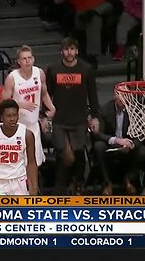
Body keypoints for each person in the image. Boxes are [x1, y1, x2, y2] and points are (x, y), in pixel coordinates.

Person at [46, 37, 100, 195]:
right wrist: (45, 115)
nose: (69, 52)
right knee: (64, 154)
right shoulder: (53, 69)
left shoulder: (87, 69)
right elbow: (47, 95)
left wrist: (95, 117)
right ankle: (61, 188)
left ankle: (78, 183)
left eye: (72, 49)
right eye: (66, 49)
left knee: (78, 153)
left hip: (79, 119)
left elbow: (93, 95)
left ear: (76, 50)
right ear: (61, 51)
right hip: (59, 120)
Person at [1, 45, 56, 167]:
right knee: (19, 165)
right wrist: (19, 103)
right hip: (17, 126)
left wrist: (52, 107)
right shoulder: (12, 78)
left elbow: (44, 93)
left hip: (33, 125)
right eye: (24, 58)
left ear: (33, 59)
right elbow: (3, 102)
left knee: (35, 164)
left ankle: (33, 186)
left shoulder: (39, 73)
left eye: (29, 58)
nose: (27, 61)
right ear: (18, 61)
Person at [92, 92, 145, 195]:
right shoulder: (104, 109)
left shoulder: (134, 110)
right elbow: (99, 134)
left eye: (125, 95)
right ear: (114, 96)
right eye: (119, 95)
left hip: (127, 144)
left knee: (143, 152)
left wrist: (131, 144)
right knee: (98, 146)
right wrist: (117, 140)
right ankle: (107, 184)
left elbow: (140, 134)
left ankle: (129, 180)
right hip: (111, 143)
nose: (122, 98)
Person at [0, 99, 38, 195]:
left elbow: (31, 162)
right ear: (2, 118)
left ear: (18, 116)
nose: (12, 119)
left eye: (15, 115)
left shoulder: (27, 134)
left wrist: (33, 187)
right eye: (9, 116)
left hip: (18, 180)